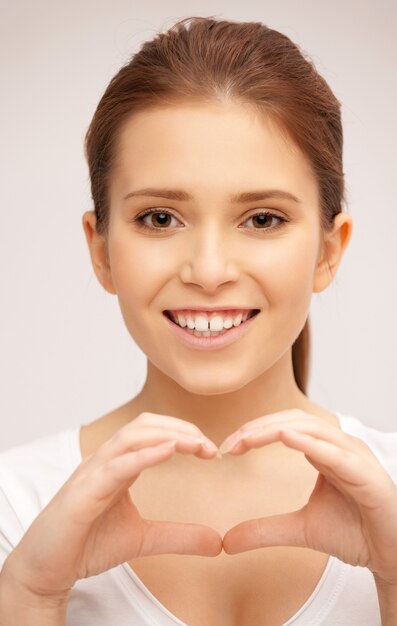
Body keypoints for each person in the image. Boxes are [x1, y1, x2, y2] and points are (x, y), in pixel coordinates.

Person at [0, 15, 396, 626]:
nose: (209, 271)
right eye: (160, 218)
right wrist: (29, 597)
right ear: (100, 249)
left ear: (328, 250)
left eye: (262, 219)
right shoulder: (16, 507)